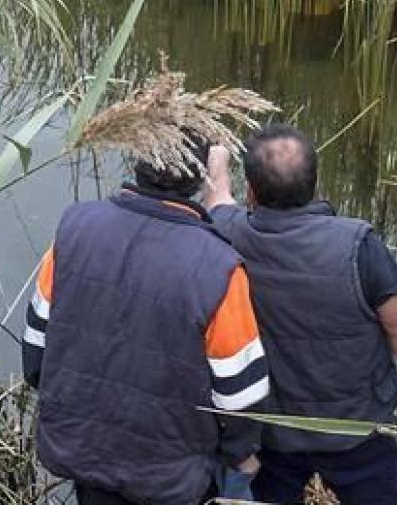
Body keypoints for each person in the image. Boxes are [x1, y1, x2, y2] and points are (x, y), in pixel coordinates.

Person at [200, 125, 397, 505]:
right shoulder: (359, 245)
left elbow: (216, 200)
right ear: (315, 182)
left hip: (275, 434)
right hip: (357, 431)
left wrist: (218, 159)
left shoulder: (230, 236)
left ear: (251, 191)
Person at [22, 138, 272, 505]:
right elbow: (239, 396)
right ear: (200, 176)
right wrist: (241, 456)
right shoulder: (220, 266)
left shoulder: (74, 229)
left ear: (138, 160)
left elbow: (35, 353)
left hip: (85, 451)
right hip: (172, 475)